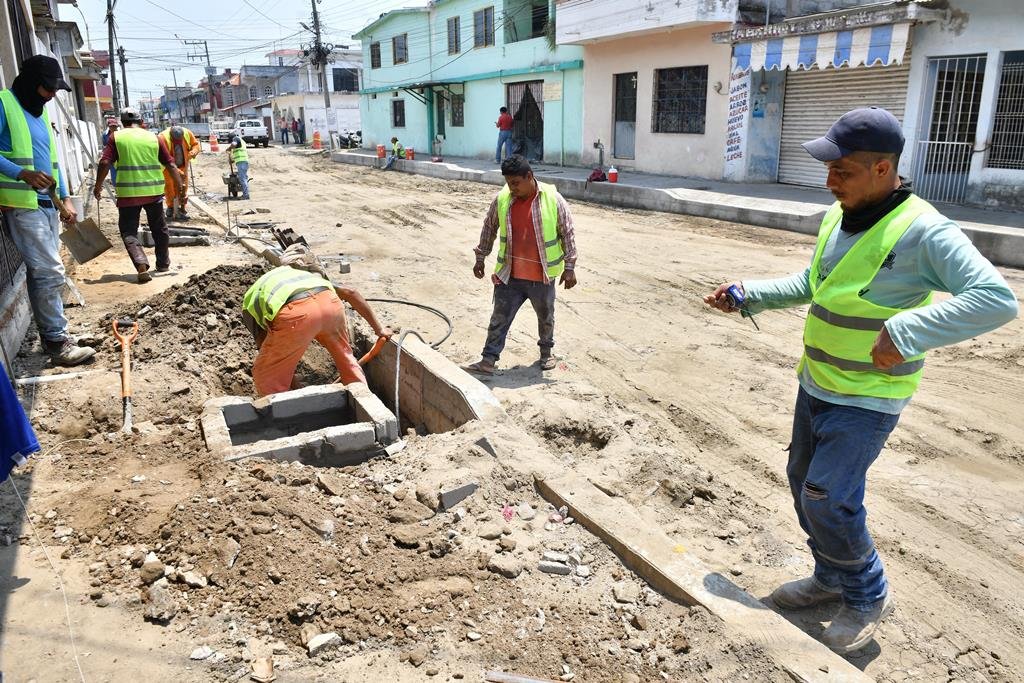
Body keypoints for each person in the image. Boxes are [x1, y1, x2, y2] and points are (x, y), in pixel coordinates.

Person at [704, 107, 1018, 655]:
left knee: (829, 497)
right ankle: (829, 578)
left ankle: (866, 593)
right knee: (804, 483)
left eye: (842, 171)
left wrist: (910, 328)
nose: (829, 182)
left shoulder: (924, 230)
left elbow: (996, 299)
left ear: (882, 169)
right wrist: (750, 293)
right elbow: (816, 283)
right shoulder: (841, 214)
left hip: (869, 396)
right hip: (818, 382)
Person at [0, 55, 95, 365]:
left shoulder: (39, 115)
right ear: (30, 83)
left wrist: (65, 199)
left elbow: (51, 162)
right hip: (22, 205)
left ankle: (57, 334)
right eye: (48, 89)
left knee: (45, 273)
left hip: (46, 204)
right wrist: (20, 173)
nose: (52, 95)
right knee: (50, 270)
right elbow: (25, 167)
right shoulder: (5, 104)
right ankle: (56, 342)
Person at [465, 155, 577, 375]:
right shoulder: (502, 199)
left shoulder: (553, 199)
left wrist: (570, 267)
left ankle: (546, 354)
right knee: (499, 317)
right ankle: (488, 359)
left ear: (529, 176)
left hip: (541, 276)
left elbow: (567, 232)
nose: (511, 188)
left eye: (515, 183)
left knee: (546, 317)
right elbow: (489, 228)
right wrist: (480, 257)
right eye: (508, 183)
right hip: (510, 276)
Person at [240, 248, 393, 397]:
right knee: (346, 359)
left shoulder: (249, 304)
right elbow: (351, 292)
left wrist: (293, 388)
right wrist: (379, 330)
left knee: (266, 372)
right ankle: (362, 397)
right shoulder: (305, 275)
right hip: (330, 304)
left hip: (296, 312)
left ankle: (281, 416)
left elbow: (271, 353)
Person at [93, 107, 184, 283]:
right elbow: (171, 165)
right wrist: (179, 187)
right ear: (141, 122)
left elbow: (105, 162)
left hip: (129, 194)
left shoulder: (116, 137)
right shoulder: (154, 137)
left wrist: (98, 187)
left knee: (129, 231)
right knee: (159, 228)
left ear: (122, 122)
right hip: (154, 192)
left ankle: (141, 264)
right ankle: (163, 263)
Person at [159, 125, 200, 220]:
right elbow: (163, 158)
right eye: (176, 142)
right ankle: (170, 207)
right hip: (168, 168)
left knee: (183, 187)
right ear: (171, 137)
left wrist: (194, 151)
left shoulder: (187, 133)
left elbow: (195, 144)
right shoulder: (163, 138)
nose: (178, 143)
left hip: (183, 165)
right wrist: (176, 171)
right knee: (170, 187)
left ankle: (182, 208)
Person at [226, 133, 250, 200]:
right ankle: (246, 194)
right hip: (243, 161)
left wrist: (229, 149)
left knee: (242, 179)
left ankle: (246, 195)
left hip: (242, 162)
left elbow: (233, 144)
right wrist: (232, 160)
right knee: (244, 178)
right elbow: (238, 153)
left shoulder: (236, 138)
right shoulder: (240, 141)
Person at [101, 117, 119, 186]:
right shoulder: (105, 135)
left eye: (115, 126)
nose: (113, 128)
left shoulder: (120, 134)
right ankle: (116, 187)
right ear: (109, 126)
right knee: (113, 173)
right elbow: (105, 145)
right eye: (112, 126)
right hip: (111, 157)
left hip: (120, 156)